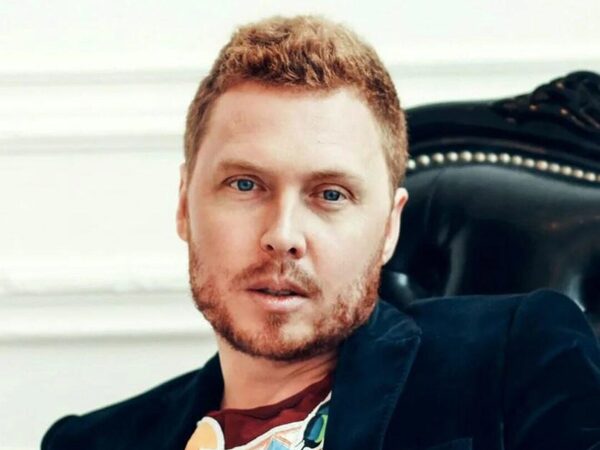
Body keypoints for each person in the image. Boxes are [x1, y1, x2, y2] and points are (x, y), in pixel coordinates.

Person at [42, 15, 600, 450]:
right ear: (185, 205)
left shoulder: (517, 357)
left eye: (330, 194)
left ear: (390, 227)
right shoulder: (89, 442)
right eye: (245, 184)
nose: (283, 235)